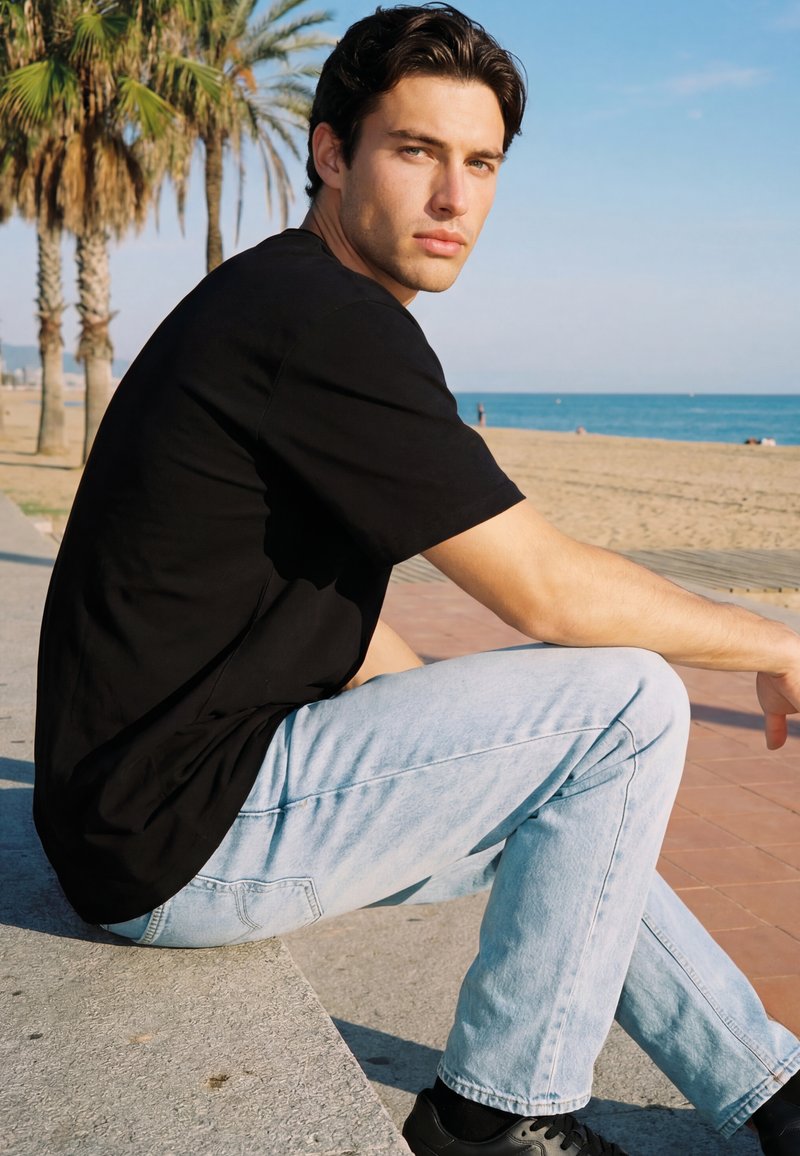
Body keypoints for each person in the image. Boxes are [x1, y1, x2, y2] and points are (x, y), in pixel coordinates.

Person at [34, 6, 800, 1155]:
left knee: (566, 777)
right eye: (415, 151)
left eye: (480, 163)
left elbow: (337, 627)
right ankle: (496, 1115)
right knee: (627, 701)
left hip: (141, 813)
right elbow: (543, 588)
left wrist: (477, 738)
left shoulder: (290, 300)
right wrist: (776, 640)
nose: (453, 198)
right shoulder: (324, 323)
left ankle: (771, 1091)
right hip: (175, 838)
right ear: (331, 154)